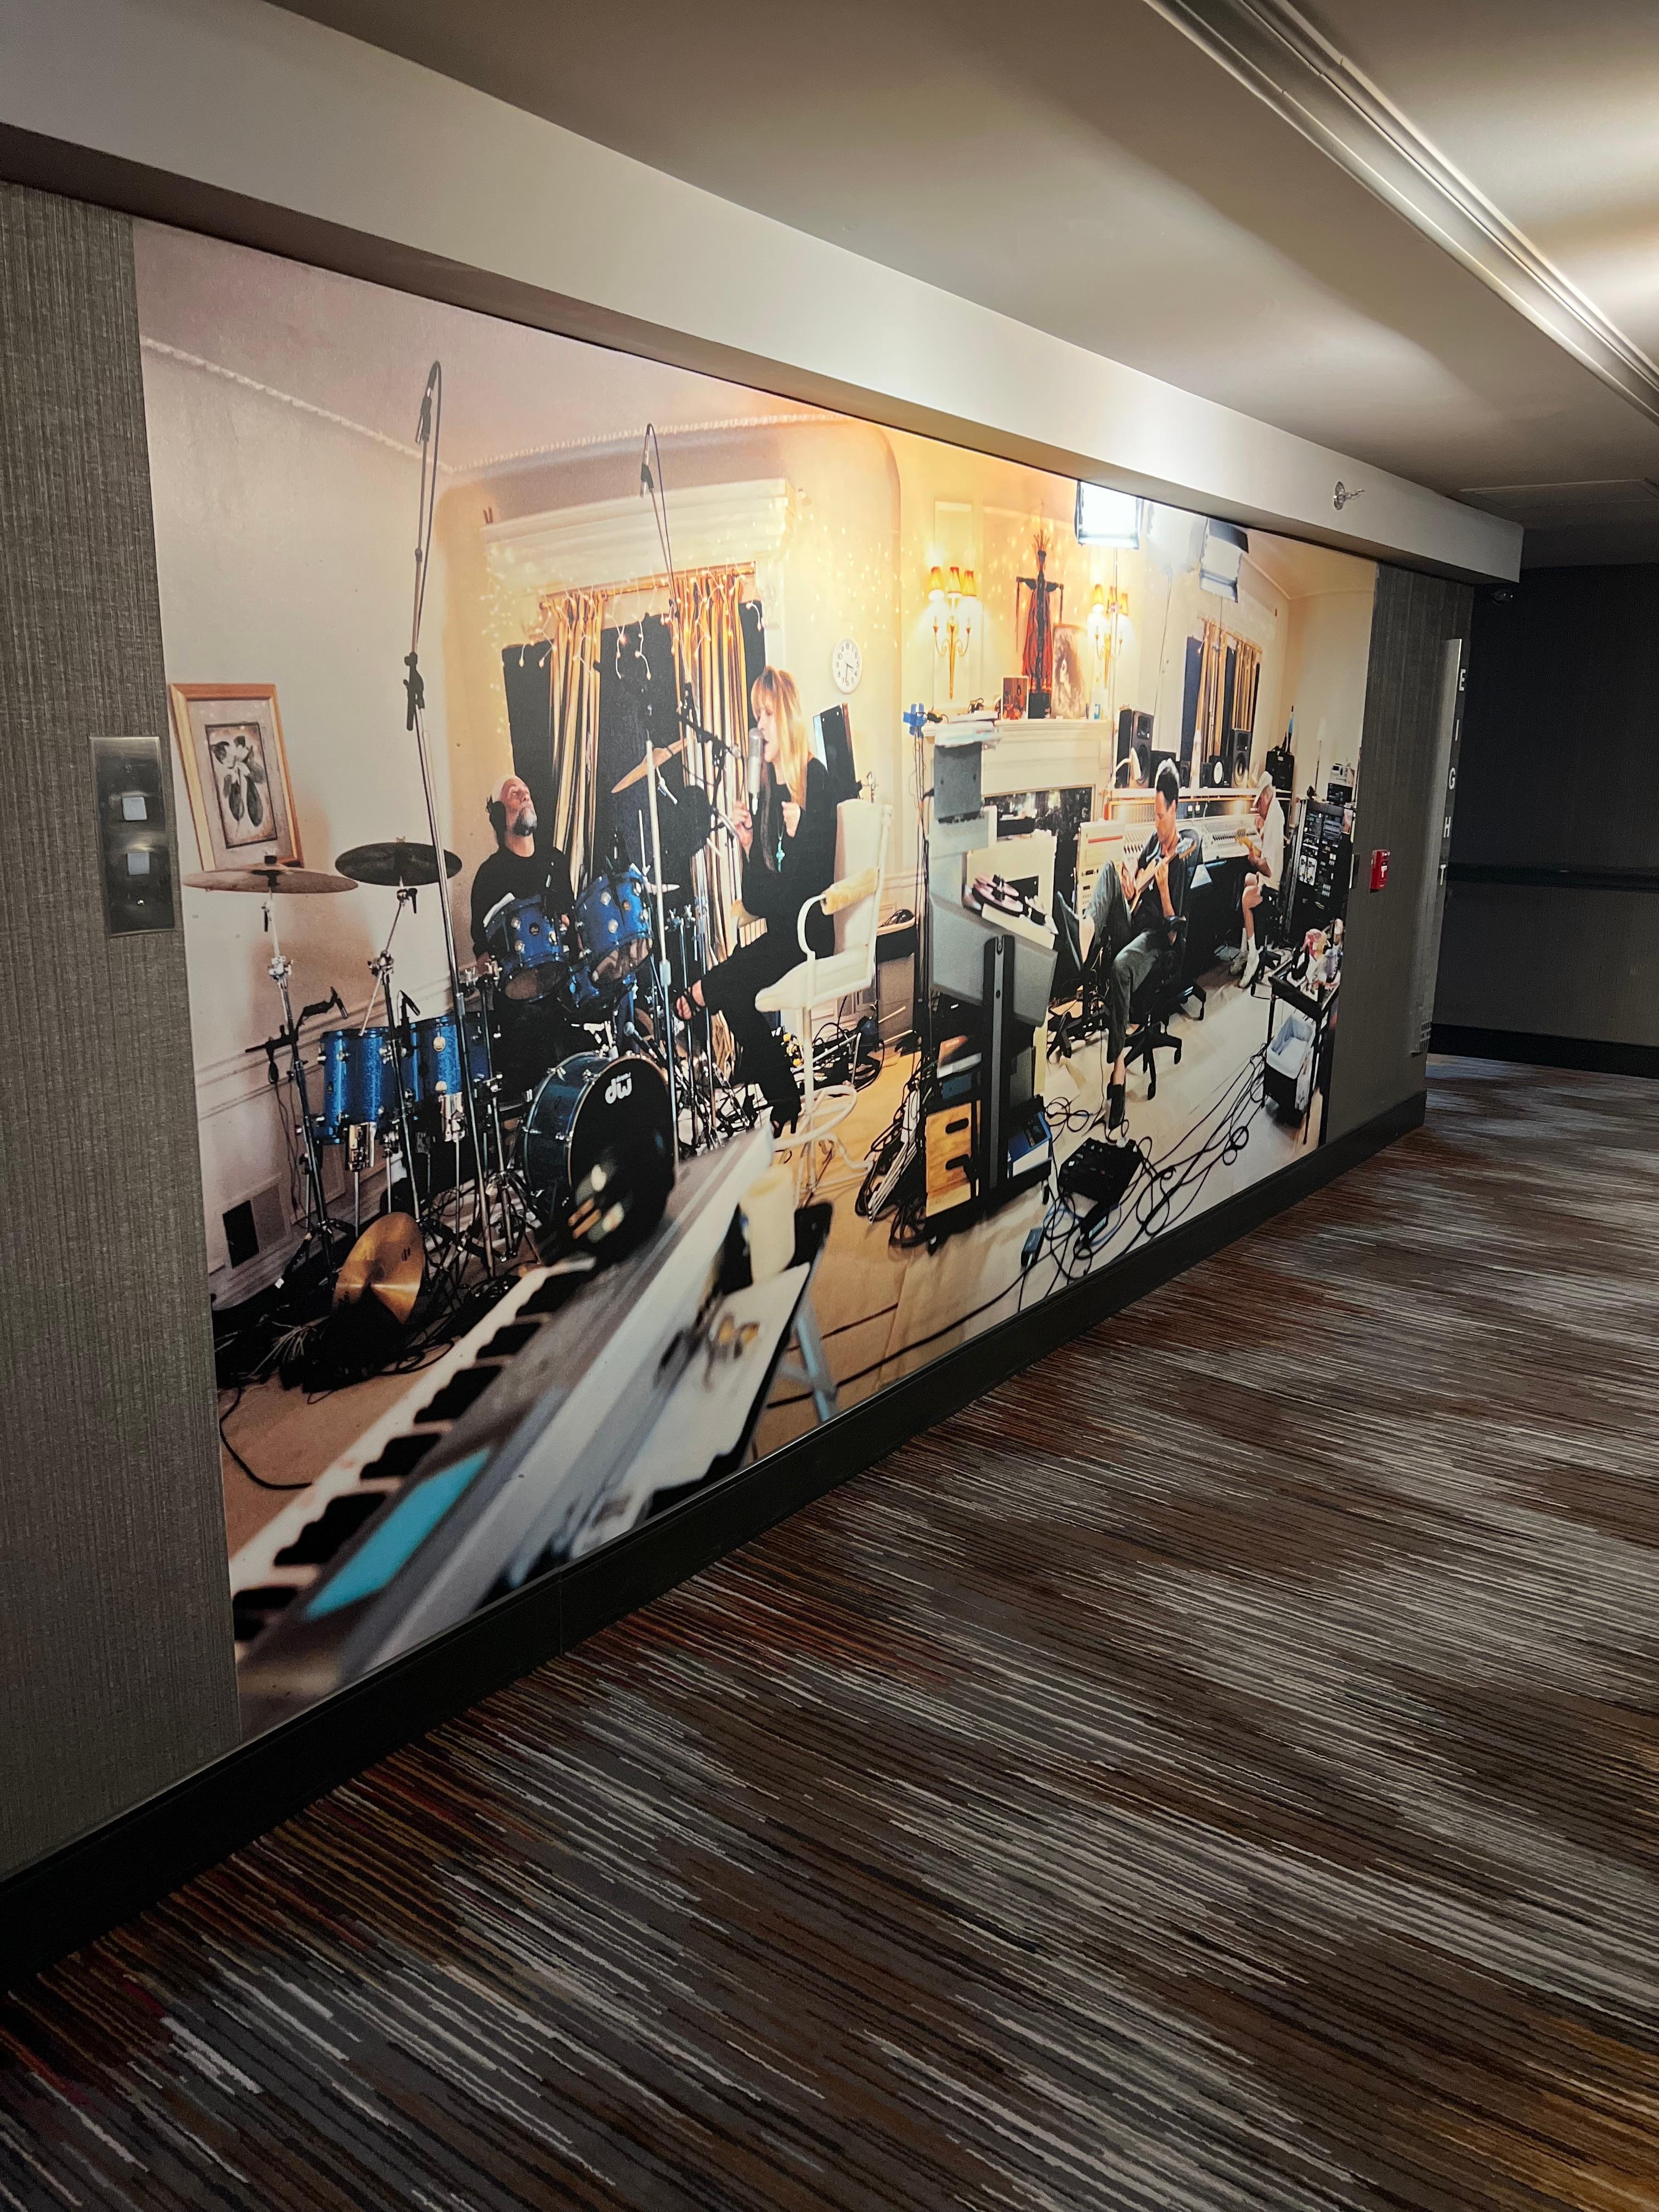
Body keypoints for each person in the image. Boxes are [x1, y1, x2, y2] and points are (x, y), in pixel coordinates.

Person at [675, 665, 836, 1134]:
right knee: (732, 993)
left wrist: (801, 834)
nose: (759, 725)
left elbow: (813, 885)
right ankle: (784, 1098)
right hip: (783, 930)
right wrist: (748, 845)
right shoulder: (768, 791)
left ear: (786, 716)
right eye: (756, 715)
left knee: (722, 986)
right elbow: (758, 895)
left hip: (809, 934)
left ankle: (701, 993)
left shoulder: (816, 780)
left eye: (766, 714)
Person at [1084, 756, 1190, 1136]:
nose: (1157, 823)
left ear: (1174, 809)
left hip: (1156, 939)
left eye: (1161, 815)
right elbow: (1134, 891)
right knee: (1110, 873)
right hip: (1136, 923)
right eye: (1155, 816)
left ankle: (1118, 1073)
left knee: (1120, 967)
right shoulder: (1153, 842)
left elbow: (1174, 932)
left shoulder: (1181, 856)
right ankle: (1084, 932)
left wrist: (1163, 889)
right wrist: (1132, 887)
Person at [469, 774, 581, 1098]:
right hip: (520, 1006)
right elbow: (482, 951)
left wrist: (568, 924)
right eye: (514, 794)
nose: (524, 796)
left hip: (562, 990)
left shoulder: (554, 860)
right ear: (499, 815)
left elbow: (572, 921)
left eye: (526, 792)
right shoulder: (489, 875)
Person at [1232, 769, 1284, 991]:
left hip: (1271, 884)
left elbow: (1268, 869)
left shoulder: (1274, 819)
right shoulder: (1274, 813)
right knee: (1246, 879)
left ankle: (1253, 956)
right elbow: (1266, 854)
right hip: (1266, 879)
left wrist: (1254, 861)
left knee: (1247, 898)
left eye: (1259, 804)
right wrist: (1252, 843)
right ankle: (1245, 950)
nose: (1258, 809)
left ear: (1264, 797)